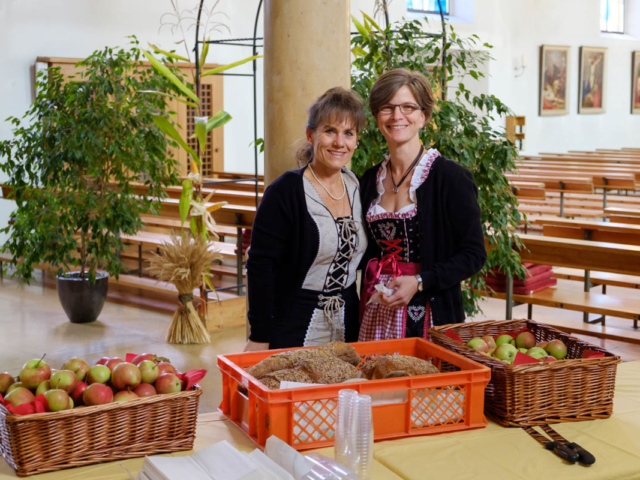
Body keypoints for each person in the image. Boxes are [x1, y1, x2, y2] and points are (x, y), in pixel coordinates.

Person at [358, 69, 486, 341]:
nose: (397, 116)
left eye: (408, 107)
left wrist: (419, 281)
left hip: (430, 310)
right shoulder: (369, 181)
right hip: (378, 310)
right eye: (387, 108)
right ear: (377, 117)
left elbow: (474, 254)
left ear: (423, 116)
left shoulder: (450, 178)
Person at [245, 87, 368, 351]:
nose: (340, 142)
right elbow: (260, 267)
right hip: (293, 324)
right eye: (330, 131)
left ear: (357, 140)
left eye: (348, 133)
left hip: (349, 325)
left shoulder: (358, 187)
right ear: (311, 135)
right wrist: (259, 334)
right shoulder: (285, 191)